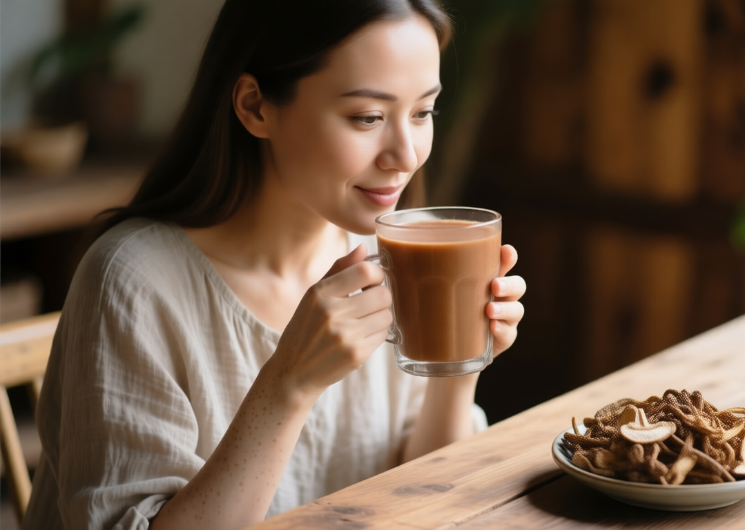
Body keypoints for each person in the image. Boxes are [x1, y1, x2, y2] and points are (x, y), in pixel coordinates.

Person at [22, 1, 526, 528]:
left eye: (423, 112)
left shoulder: (391, 257)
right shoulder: (132, 282)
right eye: (367, 117)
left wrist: (460, 362)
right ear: (255, 106)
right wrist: (288, 385)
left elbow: (426, 491)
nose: (406, 154)